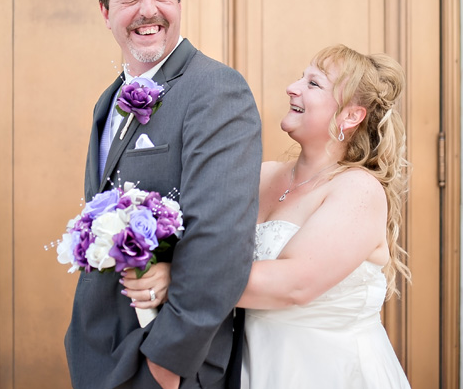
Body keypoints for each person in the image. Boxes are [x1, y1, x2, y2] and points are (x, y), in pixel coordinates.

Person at [125, 44, 411, 388]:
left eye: (314, 84)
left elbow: (295, 283)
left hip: (324, 370)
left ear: (351, 116)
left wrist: (181, 282)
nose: (293, 87)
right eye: (301, 78)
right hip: (242, 367)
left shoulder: (358, 190)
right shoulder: (260, 176)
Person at [65, 0, 262, 389]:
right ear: (105, 11)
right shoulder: (109, 99)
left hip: (164, 360)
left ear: (178, 3)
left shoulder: (215, 90)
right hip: (99, 351)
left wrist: (168, 363)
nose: (148, 10)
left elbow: (221, 238)